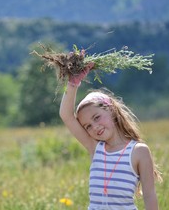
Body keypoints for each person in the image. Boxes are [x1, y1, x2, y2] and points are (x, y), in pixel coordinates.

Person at [59, 63, 162, 210]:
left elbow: (149, 195)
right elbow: (66, 115)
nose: (95, 127)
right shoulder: (95, 147)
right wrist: (73, 83)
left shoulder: (138, 151)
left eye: (97, 117)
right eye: (87, 126)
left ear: (112, 110)